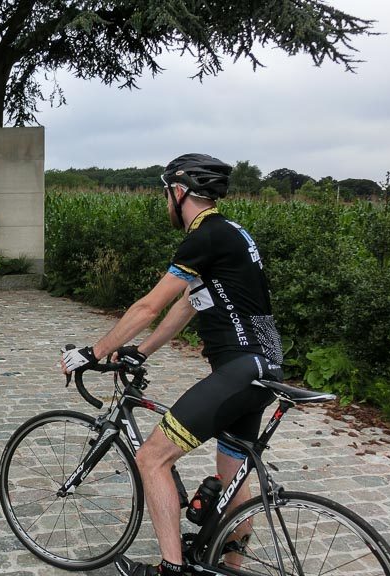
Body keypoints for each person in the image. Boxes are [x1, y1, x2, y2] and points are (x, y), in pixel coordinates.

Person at [59, 153, 284, 576]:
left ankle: (171, 570)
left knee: (152, 459)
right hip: (263, 368)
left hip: (240, 369)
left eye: (166, 194)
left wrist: (95, 351)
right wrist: (141, 352)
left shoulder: (204, 235)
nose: (166, 203)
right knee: (233, 476)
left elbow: (148, 307)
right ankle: (230, 567)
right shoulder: (231, 233)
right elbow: (186, 307)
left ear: (178, 192)